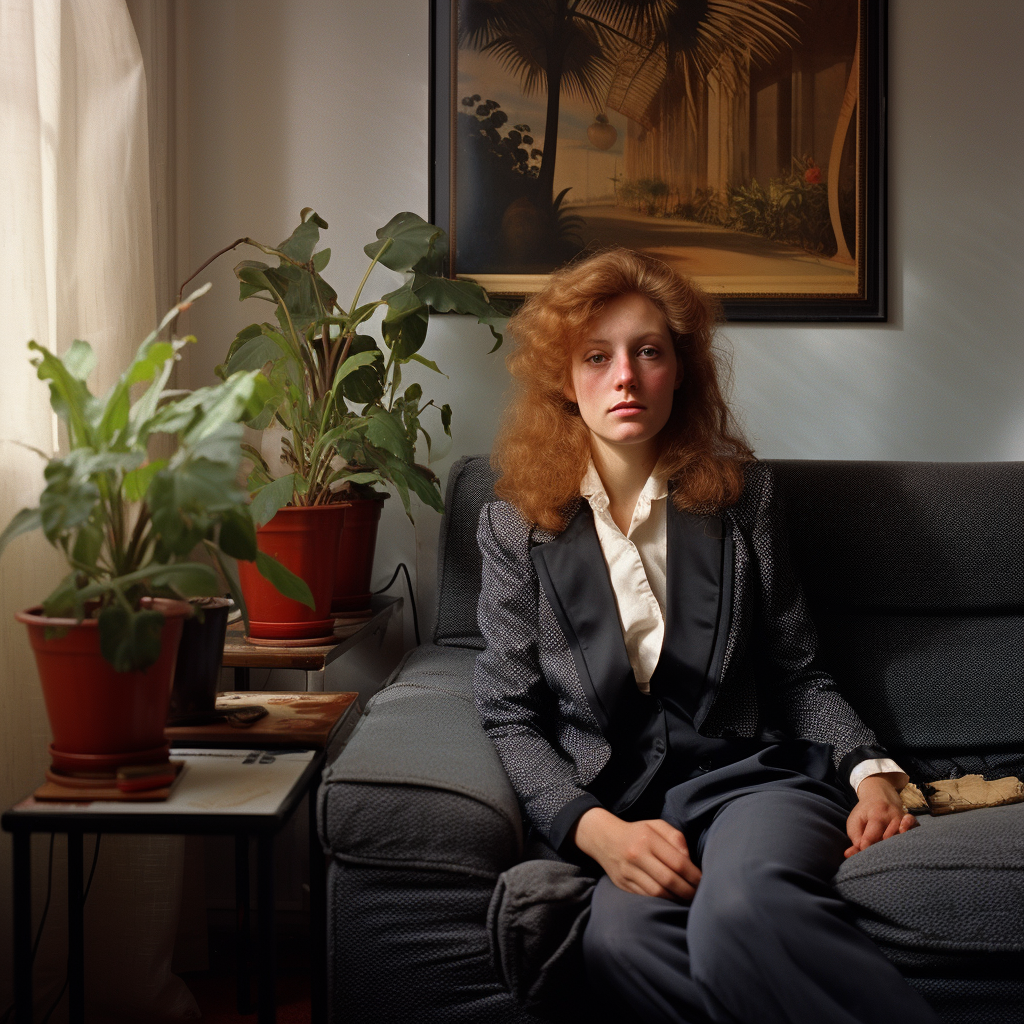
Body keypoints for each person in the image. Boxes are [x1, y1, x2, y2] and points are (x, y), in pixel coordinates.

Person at [472, 249, 939, 1024]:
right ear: (565, 377)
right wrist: (599, 834)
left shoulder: (743, 501)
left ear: (680, 370)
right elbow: (509, 716)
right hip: (624, 809)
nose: (625, 376)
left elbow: (799, 673)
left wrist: (869, 772)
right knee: (621, 946)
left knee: (741, 912)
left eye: (649, 352)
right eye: (598, 356)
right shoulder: (513, 527)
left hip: (752, 785)